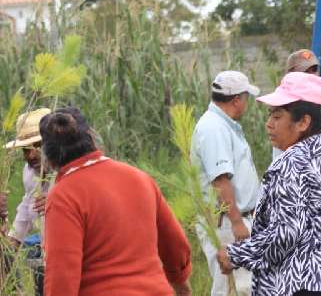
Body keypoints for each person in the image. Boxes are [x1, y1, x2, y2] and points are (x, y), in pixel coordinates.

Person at [217, 72, 321, 296]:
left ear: (304, 122)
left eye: (277, 117)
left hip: (314, 284)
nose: (268, 124)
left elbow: (284, 236)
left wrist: (236, 255)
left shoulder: (292, 163)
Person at [41, 107, 191, 296]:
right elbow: (175, 243)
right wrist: (180, 283)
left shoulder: (64, 195)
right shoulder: (139, 178)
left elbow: (62, 273)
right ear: (92, 138)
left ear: (48, 158)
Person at [191, 70, 261, 296]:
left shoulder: (222, 124)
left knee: (242, 286)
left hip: (234, 219)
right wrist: (237, 222)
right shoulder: (214, 128)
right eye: (246, 97)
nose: (247, 103)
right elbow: (220, 180)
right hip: (227, 222)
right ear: (237, 100)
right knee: (231, 288)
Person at [4, 108, 50, 247]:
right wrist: (11, 244)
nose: (31, 155)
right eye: (26, 149)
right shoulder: (30, 173)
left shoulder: (68, 172)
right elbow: (26, 208)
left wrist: (57, 201)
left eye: (37, 146)